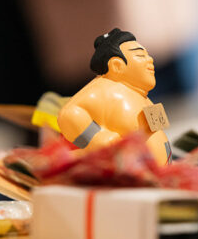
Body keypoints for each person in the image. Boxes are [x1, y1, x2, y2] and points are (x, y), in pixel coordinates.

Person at [58, 28, 172, 165]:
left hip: (160, 172)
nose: (150, 59)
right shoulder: (103, 89)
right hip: (127, 172)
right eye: (140, 55)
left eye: (148, 55)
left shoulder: (141, 94)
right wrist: (95, 138)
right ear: (117, 65)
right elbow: (69, 114)